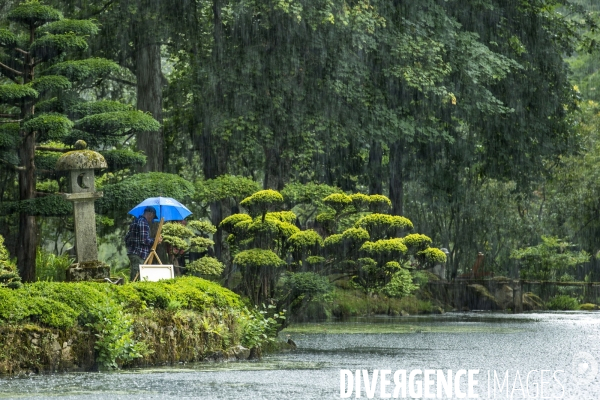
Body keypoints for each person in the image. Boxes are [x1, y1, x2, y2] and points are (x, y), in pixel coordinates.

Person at [125, 206, 162, 281]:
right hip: (139, 253)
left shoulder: (135, 221)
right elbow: (144, 240)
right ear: (150, 214)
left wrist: (131, 246)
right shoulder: (143, 223)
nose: (151, 219)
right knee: (137, 276)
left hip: (133, 252)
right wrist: (155, 241)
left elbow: (126, 238)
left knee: (135, 274)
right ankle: (133, 291)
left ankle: (131, 289)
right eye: (153, 217)